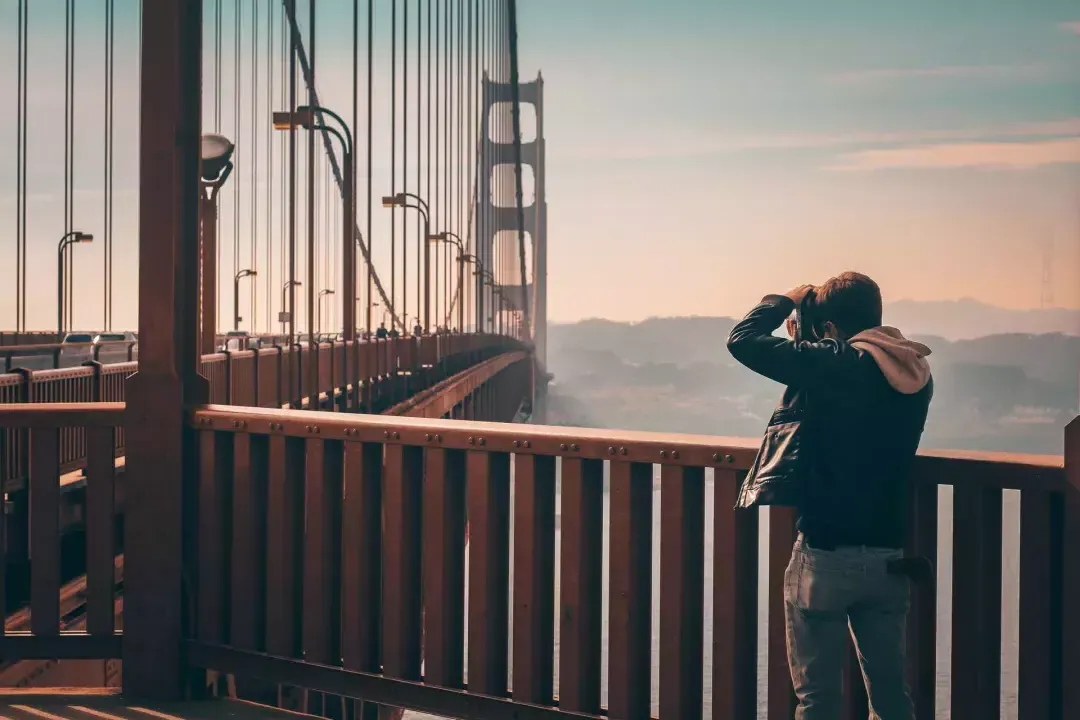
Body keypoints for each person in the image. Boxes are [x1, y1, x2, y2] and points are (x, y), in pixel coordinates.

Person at [726, 271, 932, 720]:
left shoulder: (835, 362)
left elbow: (743, 340)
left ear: (831, 329)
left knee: (818, 700)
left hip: (825, 554)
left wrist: (785, 300)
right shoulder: (916, 371)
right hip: (889, 557)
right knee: (892, 696)